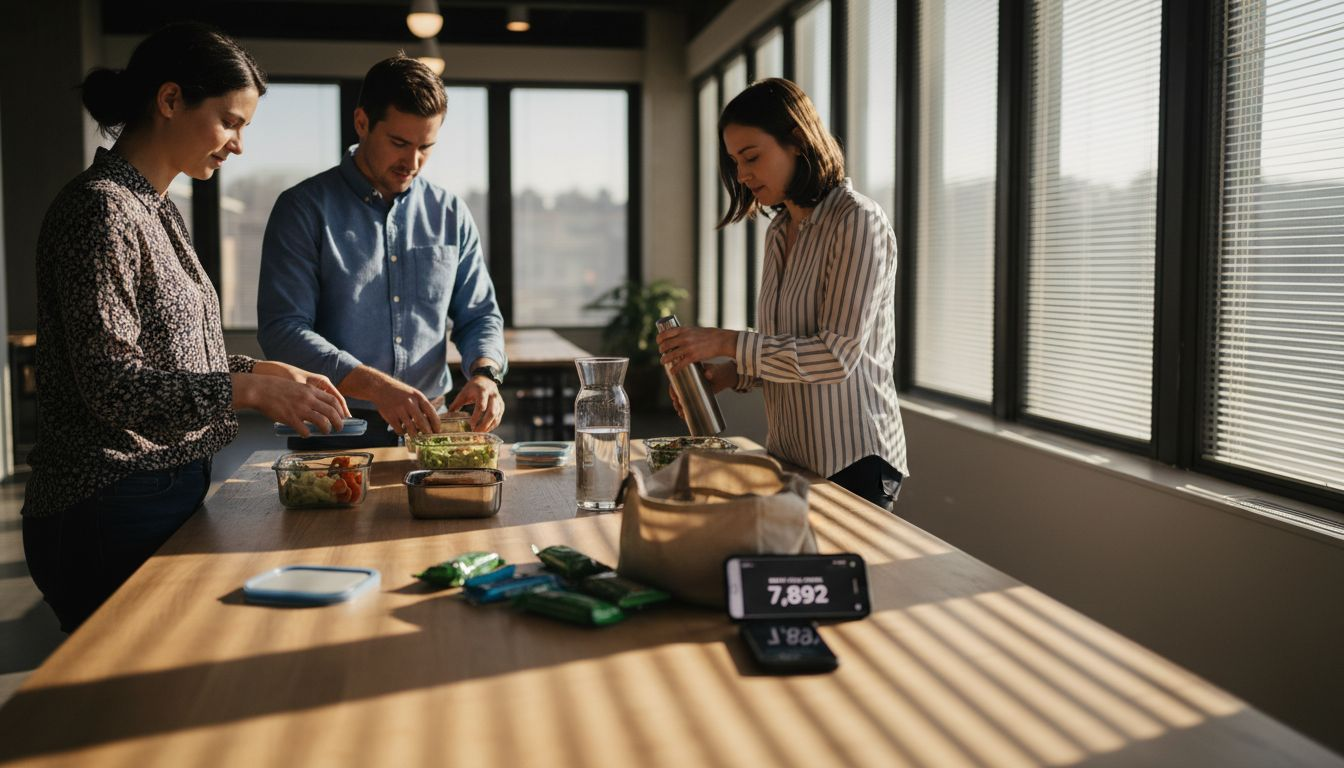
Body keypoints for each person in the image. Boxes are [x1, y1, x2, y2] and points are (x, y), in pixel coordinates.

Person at [23, 23, 351, 633]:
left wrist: (259, 369)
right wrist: (248, 390)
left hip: (153, 493)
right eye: (229, 122)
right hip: (106, 501)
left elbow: (167, 358)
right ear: (170, 100)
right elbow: (113, 384)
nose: (238, 145)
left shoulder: (154, 207)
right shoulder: (101, 209)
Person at [656, 78, 909, 511]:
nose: (742, 175)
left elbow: (834, 357)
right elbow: (790, 344)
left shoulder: (857, 221)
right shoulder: (779, 230)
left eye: (752, 156)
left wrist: (726, 342)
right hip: (792, 457)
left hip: (856, 462)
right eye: (735, 161)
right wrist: (733, 374)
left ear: (797, 141)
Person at [257, 55, 506, 450]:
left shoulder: (450, 213)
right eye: (399, 143)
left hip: (434, 427)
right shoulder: (303, 209)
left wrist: (485, 374)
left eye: (426, 147)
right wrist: (376, 386)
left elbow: (479, 314)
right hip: (335, 429)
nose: (413, 162)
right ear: (362, 123)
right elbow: (283, 329)